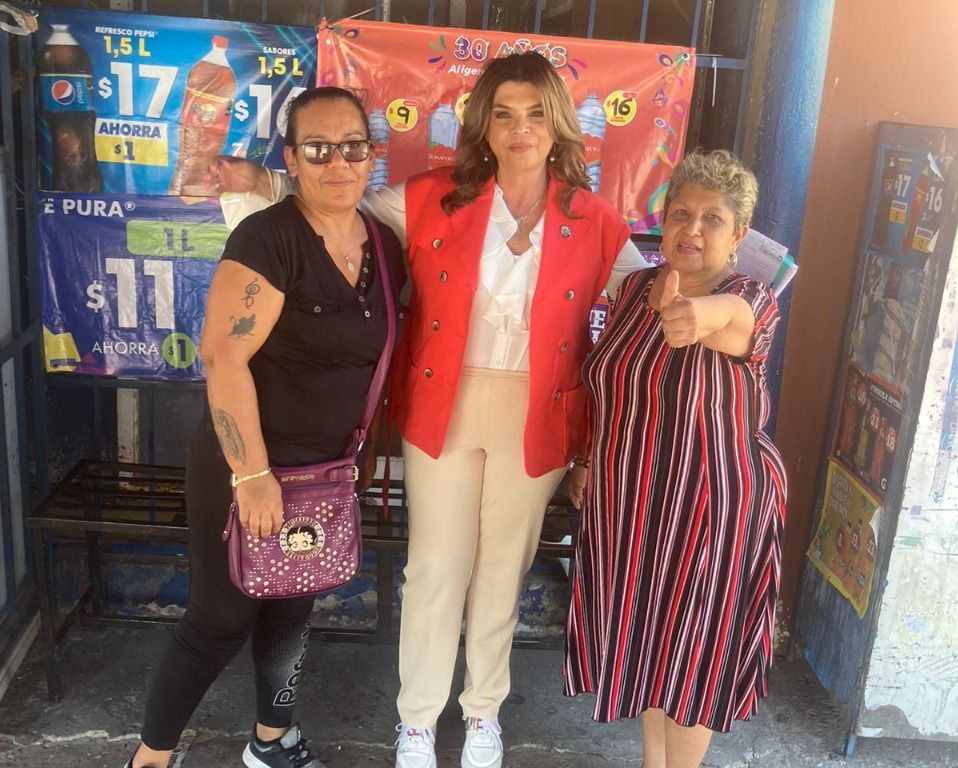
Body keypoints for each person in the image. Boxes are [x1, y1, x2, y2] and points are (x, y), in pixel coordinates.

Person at [214, 51, 648, 768]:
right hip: (442, 402)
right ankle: (416, 719)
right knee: (435, 567)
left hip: (539, 413)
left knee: (502, 570)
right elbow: (336, 205)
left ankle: (483, 713)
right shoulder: (432, 196)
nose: (520, 128)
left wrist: (726, 296)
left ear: (558, 124)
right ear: (483, 124)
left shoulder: (594, 220)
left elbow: (649, 302)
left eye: (535, 113)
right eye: (503, 113)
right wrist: (262, 183)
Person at [124, 87, 404, 768]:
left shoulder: (385, 246)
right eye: (318, 149)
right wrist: (251, 475)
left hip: (324, 471)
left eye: (352, 147)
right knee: (219, 619)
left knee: (290, 607)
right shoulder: (269, 238)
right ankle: (150, 758)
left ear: (371, 154)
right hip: (247, 468)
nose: (338, 163)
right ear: (293, 159)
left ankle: (271, 742)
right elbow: (223, 356)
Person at [563, 149, 787, 768]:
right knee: (649, 647)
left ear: (738, 235)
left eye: (713, 218)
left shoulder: (751, 297)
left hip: (709, 505)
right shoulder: (635, 289)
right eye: (682, 213)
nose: (693, 228)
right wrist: (586, 461)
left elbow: (730, 321)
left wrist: (695, 313)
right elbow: (611, 386)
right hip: (630, 501)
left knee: (692, 656)